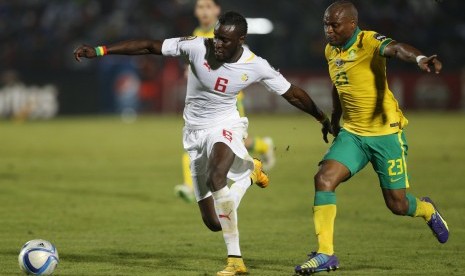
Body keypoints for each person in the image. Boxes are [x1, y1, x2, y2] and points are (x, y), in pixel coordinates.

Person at [74, 11, 331, 276]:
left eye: (224, 40)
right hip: (194, 134)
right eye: (217, 37)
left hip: (226, 126)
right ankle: (250, 173)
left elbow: (293, 94)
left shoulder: (256, 65)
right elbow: (150, 46)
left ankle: (235, 261)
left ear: (241, 40)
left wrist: (321, 117)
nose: (217, 43)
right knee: (214, 222)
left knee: (217, 176)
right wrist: (101, 50)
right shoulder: (197, 46)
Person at [294, 1, 449, 275]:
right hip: (353, 134)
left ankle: (426, 210)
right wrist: (335, 117)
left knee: (397, 205)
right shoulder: (331, 50)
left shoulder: (368, 41)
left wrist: (419, 59)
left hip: (385, 134)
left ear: (352, 24)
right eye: (325, 24)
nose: (328, 30)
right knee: (323, 179)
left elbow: (397, 48)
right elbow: (339, 83)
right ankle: (326, 254)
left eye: (334, 25)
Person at [175, 0, 275, 203]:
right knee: (205, 144)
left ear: (217, 10)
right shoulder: (195, 33)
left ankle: (262, 147)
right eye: (200, 7)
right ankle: (191, 186)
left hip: (229, 102)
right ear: (195, 11)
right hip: (204, 104)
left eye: (208, 7)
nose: (204, 11)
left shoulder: (227, 32)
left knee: (232, 143)